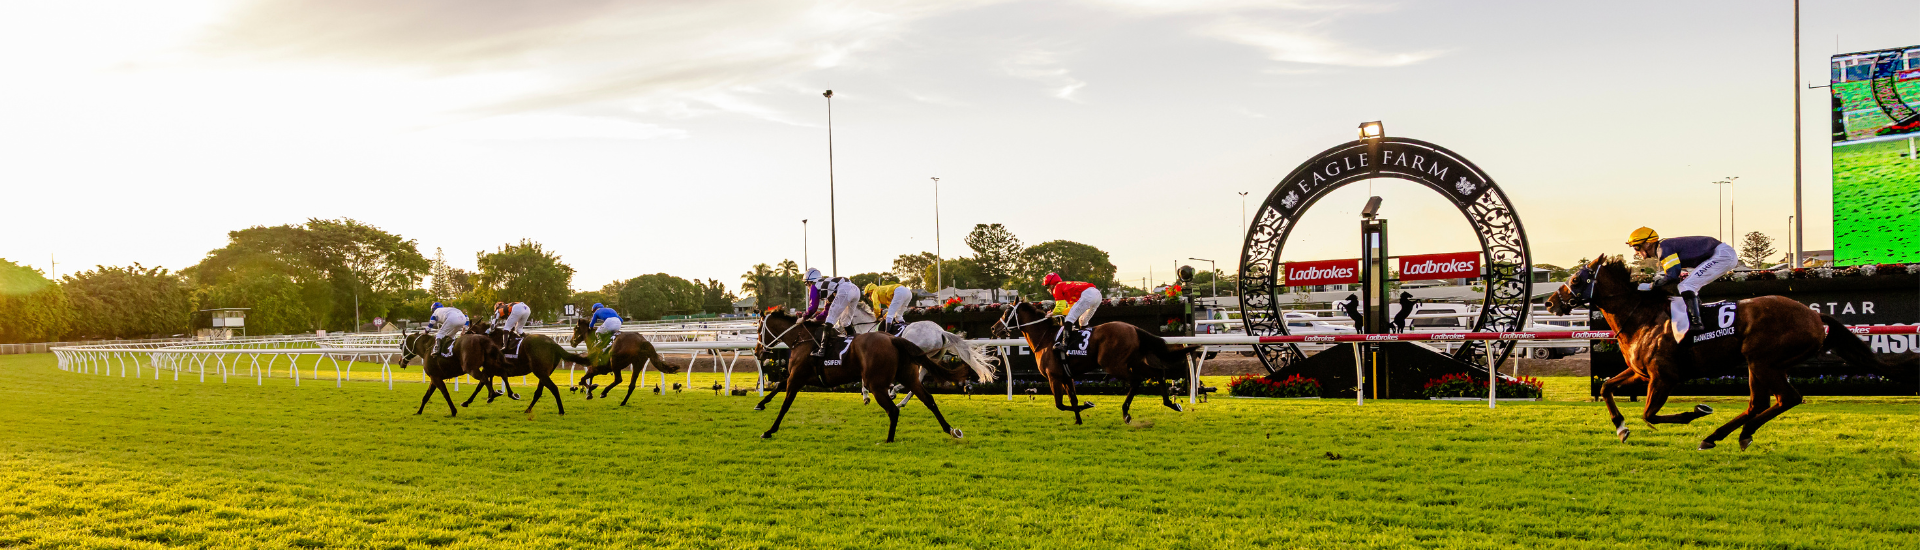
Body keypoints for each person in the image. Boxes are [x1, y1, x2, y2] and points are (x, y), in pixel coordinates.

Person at [1627, 227, 1737, 342]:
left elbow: (1672, 274)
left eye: (1637, 247)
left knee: (1686, 285)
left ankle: (1696, 324)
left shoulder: (1663, 249)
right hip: (1721, 254)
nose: (1636, 252)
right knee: (1688, 285)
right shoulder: (1664, 247)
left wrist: (1650, 286)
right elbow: (1672, 275)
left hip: (1722, 255)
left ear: (1648, 244)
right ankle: (1698, 317)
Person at [801, 268, 860, 357]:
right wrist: (815, 319)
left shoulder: (814, 285)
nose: (808, 287)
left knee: (831, 319)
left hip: (845, 289)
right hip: (856, 290)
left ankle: (822, 350)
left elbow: (813, 307)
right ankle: (855, 343)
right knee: (845, 321)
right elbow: (825, 312)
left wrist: (803, 318)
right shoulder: (827, 287)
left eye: (806, 284)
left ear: (809, 282)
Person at [1044, 272, 1102, 355]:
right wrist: (1054, 312)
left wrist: (1051, 314)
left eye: (1047, 286)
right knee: (1082, 320)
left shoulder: (1057, 287)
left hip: (1089, 295)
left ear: (1052, 284)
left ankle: (1064, 345)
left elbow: (1060, 307)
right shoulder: (1066, 288)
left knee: (1069, 319)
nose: (1048, 289)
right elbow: (1070, 309)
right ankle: (1086, 345)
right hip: (1098, 295)